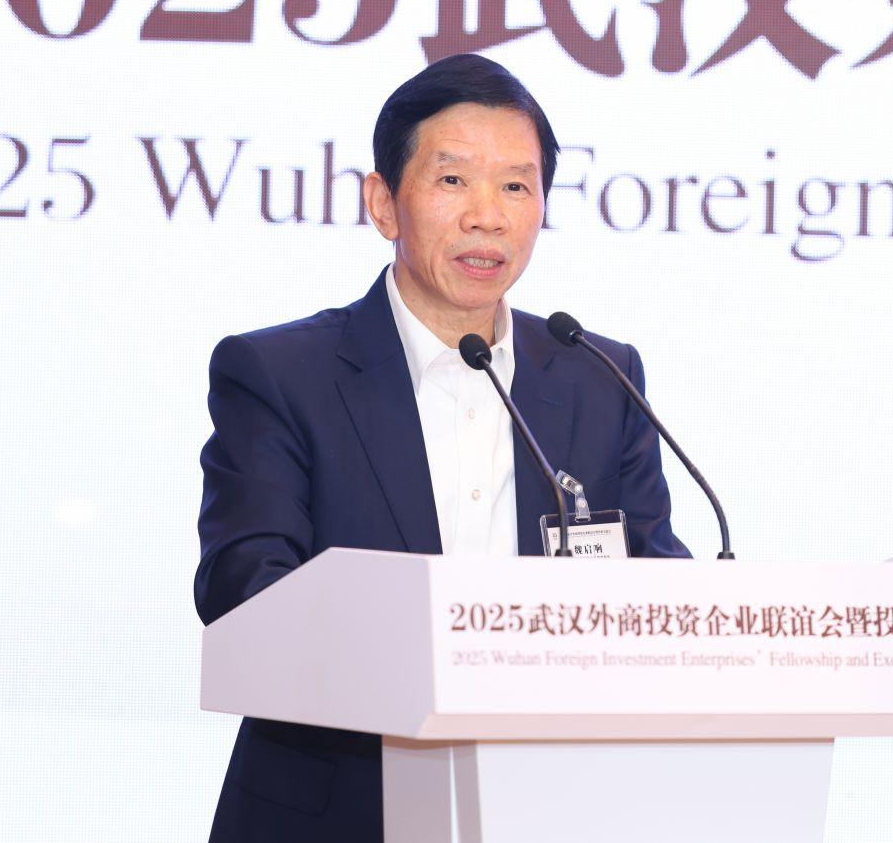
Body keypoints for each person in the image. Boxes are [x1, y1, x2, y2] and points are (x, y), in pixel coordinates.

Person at [194, 54, 687, 842]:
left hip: (548, 812)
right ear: (383, 202)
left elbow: (658, 591)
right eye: (453, 179)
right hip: (337, 812)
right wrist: (459, 652)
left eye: (516, 186)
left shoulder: (599, 377)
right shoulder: (282, 374)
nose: (487, 216)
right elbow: (248, 592)